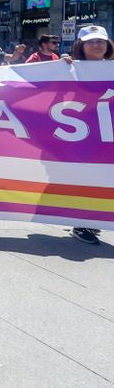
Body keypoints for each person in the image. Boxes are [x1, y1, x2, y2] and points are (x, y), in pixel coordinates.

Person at [62, 25, 113, 244]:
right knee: (87, 177)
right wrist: (59, 67)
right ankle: (81, 222)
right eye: (90, 42)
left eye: (100, 41)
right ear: (81, 46)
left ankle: (94, 219)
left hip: (108, 133)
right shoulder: (70, 68)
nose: (96, 45)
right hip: (83, 133)